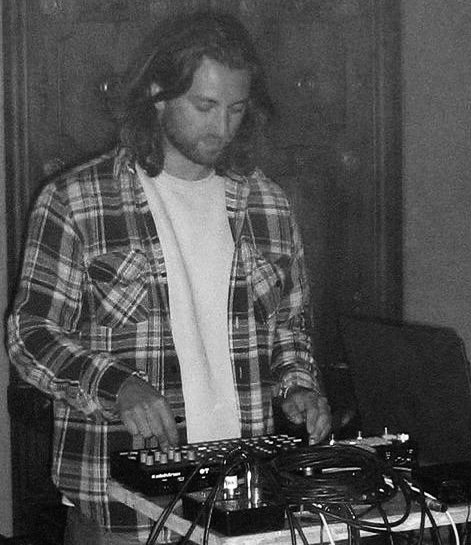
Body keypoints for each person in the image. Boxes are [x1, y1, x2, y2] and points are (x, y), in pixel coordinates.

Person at [7, 9, 331, 545]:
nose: (222, 127)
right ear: (158, 94)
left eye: (235, 109)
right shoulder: (75, 201)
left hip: (240, 506)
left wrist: (298, 386)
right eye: (204, 106)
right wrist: (117, 385)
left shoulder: (268, 204)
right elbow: (30, 337)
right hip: (123, 513)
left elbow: (289, 329)